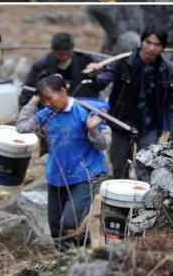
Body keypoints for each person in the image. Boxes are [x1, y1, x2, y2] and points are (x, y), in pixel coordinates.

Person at [16, 74, 111, 251]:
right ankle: (65, 259)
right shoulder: (46, 114)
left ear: (63, 91)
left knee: (70, 221)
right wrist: (33, 101)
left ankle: (84, 252)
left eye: (50, 98)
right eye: (43, 100)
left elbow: (104, 143)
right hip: (57, 175)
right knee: (55, 224)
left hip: (86, 174)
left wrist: (93, 129)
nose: (47, 104)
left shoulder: (85, 111)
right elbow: (22, 127)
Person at [83, 28, 173, 179]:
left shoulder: (167, 69)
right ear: (142, 42)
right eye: (148, 42)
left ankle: (144, 201)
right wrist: (93, 75)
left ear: (162, 47)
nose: (151, 48)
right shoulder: (123, 63)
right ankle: (119, 201)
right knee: (119, 168)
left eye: (156, 44)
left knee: (146, 169)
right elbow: (101, 82)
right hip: (121, 123)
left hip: (150, 126)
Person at [21, 32, 102, 106]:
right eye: (61, 54)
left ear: (72, 50)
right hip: (51, 106)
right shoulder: (42, 65)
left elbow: (98, 84)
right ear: (53, 51)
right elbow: (29, 89)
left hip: (80, 104)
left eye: (68, 54)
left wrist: (92, 75)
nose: (64, 57)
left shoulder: (85, 60)